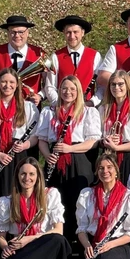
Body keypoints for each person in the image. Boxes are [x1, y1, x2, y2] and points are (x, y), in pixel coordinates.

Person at [37, 75, 103, 238]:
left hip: (79, 158)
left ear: (78, 91)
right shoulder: (49, 111)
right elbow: (42, 140)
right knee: (57, 200)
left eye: (72, 89)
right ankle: (59, 237)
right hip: (55, 159)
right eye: (64, 88)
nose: (68, 92)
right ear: (59, 90)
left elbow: (93, 142)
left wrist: (70, 148)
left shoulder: (88, 112)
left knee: (79, 200)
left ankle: (79, 239)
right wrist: (48, 156)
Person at [0, 160, 69, 259]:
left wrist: (29, 239)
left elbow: (59, 231)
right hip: (20, 248)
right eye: (23, 174)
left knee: (58, 240)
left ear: (38, 176)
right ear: (17, 176)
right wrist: (5, 248)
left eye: (31, 174)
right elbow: (0, 237)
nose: (27, 178)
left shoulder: (50, 195)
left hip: (44, 246)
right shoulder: (6, 202)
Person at [0, 68, 39, 220]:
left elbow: (36, 136)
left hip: (19, 155)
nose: (7, 85)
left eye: (11, 82)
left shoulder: (28, 107)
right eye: (4, 82)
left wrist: (25, 145)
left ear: (17, 85)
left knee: (17, 191)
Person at [0, 15, 47, 103]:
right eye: (13, 32)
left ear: (27, 33)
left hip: (30, 107)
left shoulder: (38, 54)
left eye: (21, 32)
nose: (17, 35)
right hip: (0, 108)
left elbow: (49, 84)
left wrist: (40, 96)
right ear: (8, 33)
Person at [45, 15, 100, 106]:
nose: (72, 36)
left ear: (82, 33)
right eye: (68, 32)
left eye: (75, 32)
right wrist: (59, 104)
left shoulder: (95, 56)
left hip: (87, 108)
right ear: (64, 32)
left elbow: (101, 86)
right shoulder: (55, 56)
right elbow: (50, 86)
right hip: (62, 108)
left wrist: (92, 102)